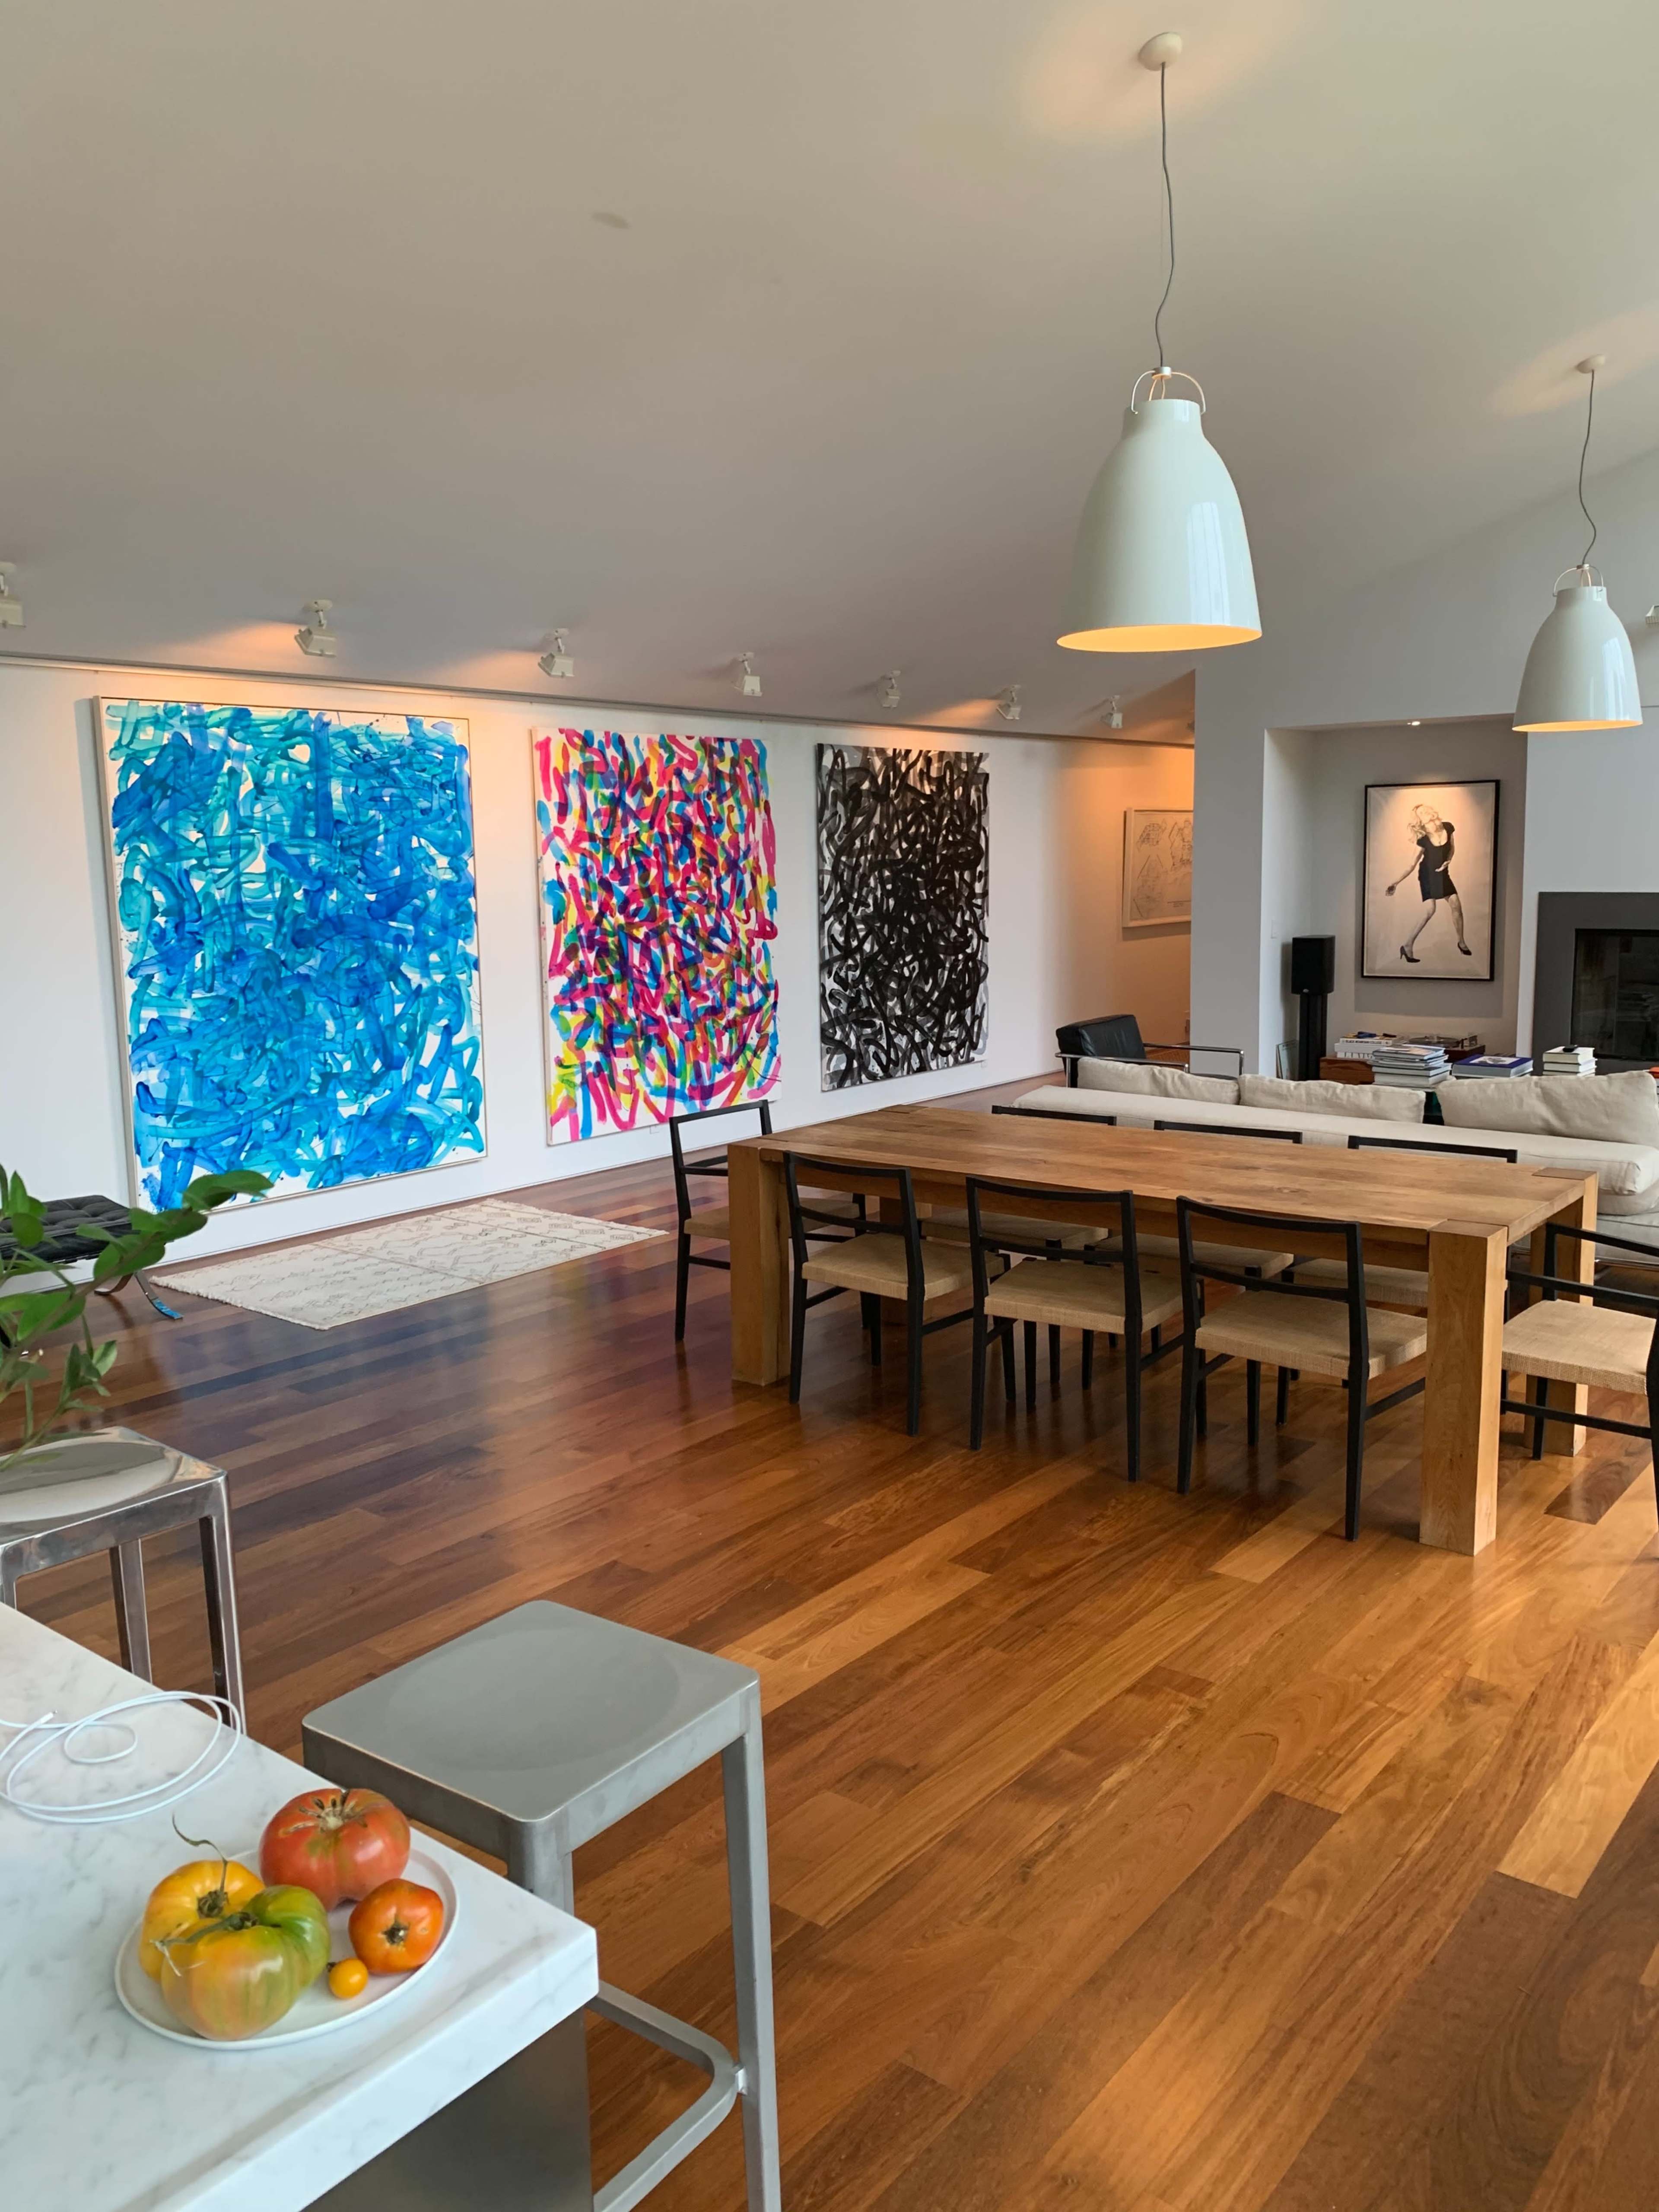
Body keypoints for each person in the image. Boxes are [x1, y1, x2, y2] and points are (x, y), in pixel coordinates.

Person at [1384, 802, 1471, 963]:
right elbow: (1412, 864)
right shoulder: (1423, 839)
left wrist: (1449, 861)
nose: (1426, 812)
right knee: (1430, 910)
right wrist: (1395, 883)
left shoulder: (1448, 827)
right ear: (1420, 821)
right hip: (1428, 876)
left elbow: (1452, 848)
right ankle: (1408, 944)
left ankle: (1461, 942)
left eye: (1426, 810)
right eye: (1422, 813)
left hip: (1443, 873)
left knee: (1456, 905)